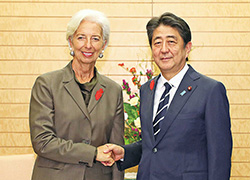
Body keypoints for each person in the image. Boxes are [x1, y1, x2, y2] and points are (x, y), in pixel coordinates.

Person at [104, 12, 232, 180]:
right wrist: (125, 153)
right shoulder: (147, 90)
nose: (164, 49)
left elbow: (219, 156)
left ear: (187, 48)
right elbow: (155, 145)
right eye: (157, 43)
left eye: (171, 42)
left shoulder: (210, 90)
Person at [29, 9, 124, 180]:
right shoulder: (46, 84)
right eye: (81, 37)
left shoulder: (113, 91)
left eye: (95, 38)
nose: (88, 45)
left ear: (103, 45)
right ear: (70, 42)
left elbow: (115, 151)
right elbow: (42, 141)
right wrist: (93, 153)